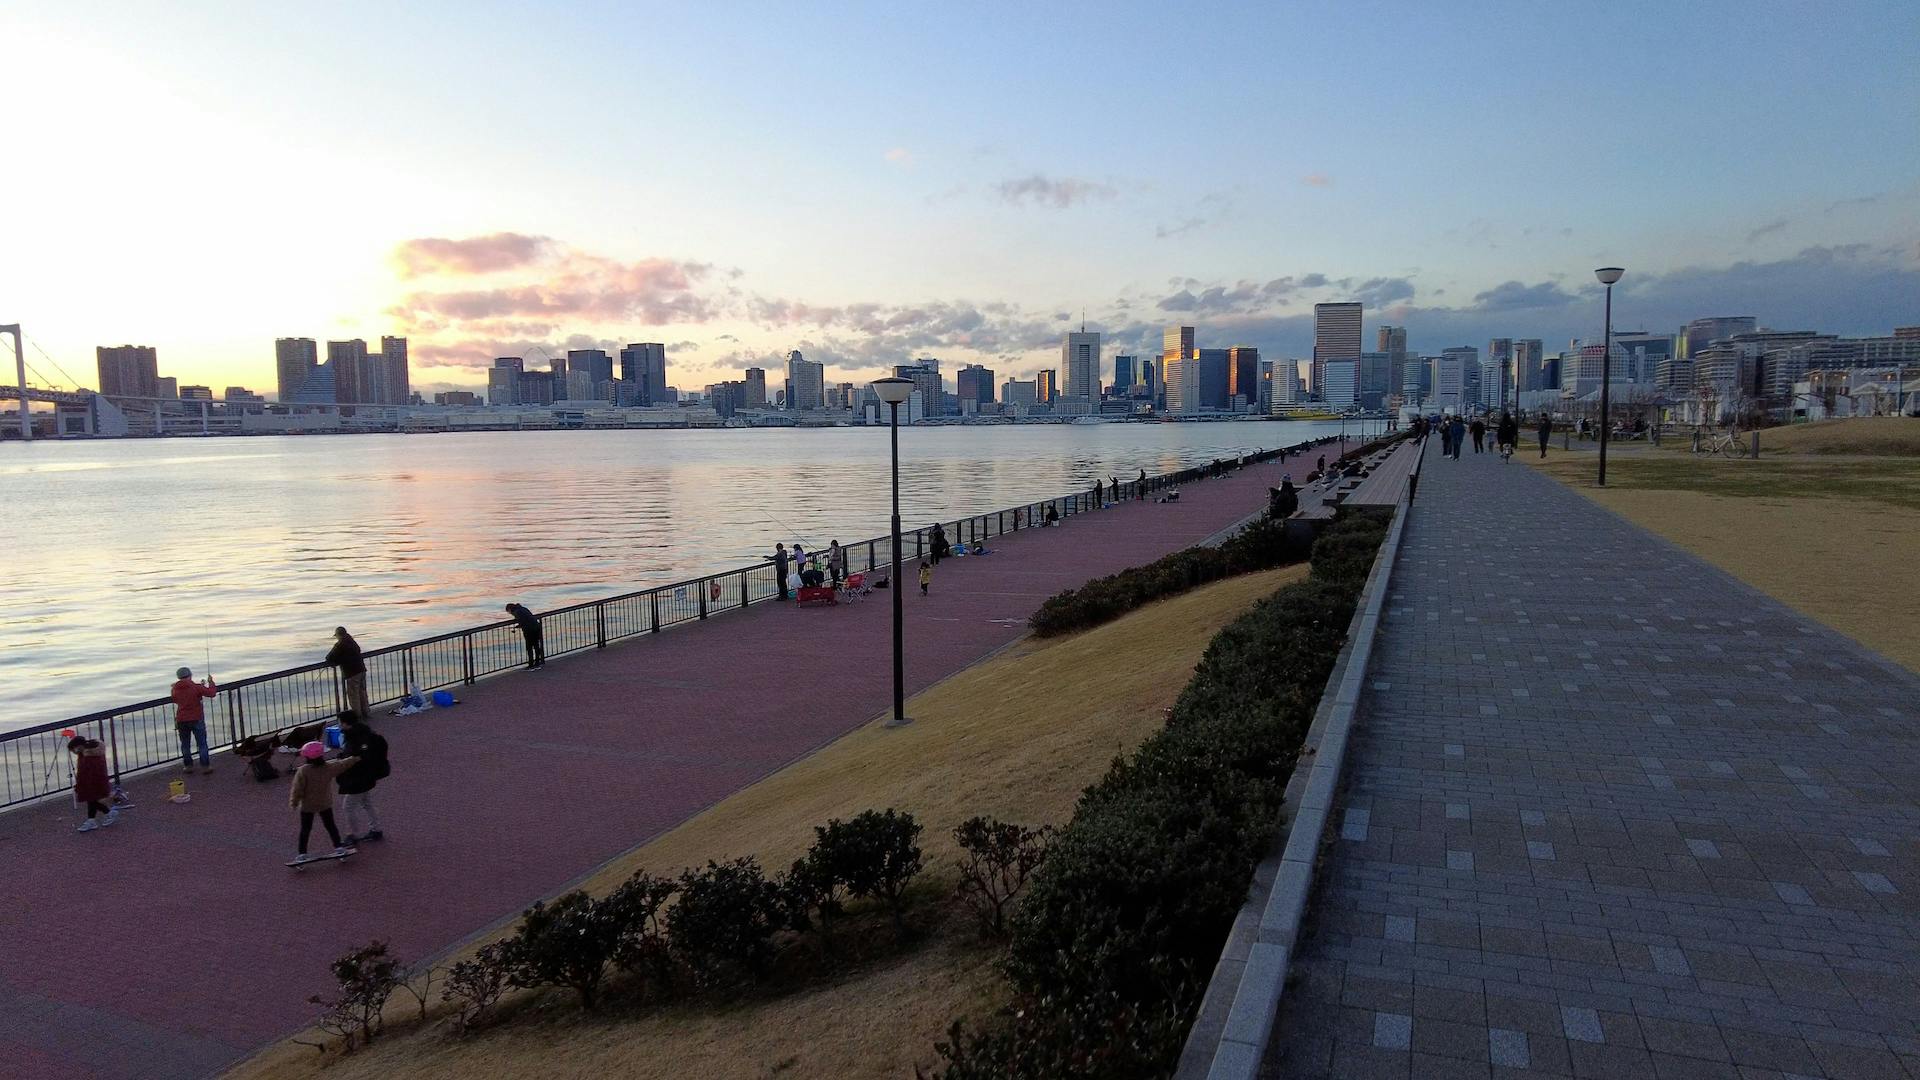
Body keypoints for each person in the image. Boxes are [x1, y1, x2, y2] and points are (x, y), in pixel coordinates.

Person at [289, 741, 357, 864]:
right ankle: (338, 847)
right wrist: (356, 758)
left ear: (307, 757)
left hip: (308, 805)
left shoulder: (303, 771)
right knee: (330, 826)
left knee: (305, 829)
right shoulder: (328, 767)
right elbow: (343, 764)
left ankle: (302, 854)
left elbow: (297, 788)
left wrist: (294, 802)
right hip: (325, 803)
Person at [335, 711, 389, 845]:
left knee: (348, 806)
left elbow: (358, 757)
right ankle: (376, 829)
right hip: (367, 776)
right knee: (366, 802)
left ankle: (352, 834)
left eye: (339, 722)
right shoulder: (364, 733)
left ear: (345, 723)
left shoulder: (355, 738)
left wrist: (343, 760)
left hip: (358, 778)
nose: (338, 724)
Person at [170, 666, 217, 774]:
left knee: (185, 744)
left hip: (182, 719)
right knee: (202, 743)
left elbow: (175, 699)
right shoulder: (196, 687)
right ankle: (205, 766)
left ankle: (188, 766)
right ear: (190, 676)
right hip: (196, 718)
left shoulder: (175, 689)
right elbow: (211, 693)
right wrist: (211, 683)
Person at [70, 735, 117, 832]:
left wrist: (80, 784)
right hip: (96, 780)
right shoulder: (91, 751)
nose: (74, 752)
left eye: (74, 749)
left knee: (92, 799)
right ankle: (93, 819)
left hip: (92, 782)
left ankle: (107, 814)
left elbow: (85, 772)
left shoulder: (88, 756)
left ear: (79, 746)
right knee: (92, 800)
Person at [326, 627, 369, 721]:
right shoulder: (352, 641)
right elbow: (353, 653)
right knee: (362, 692)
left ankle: (357, 716)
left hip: (352, 673)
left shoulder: (340, 644)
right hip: (362, 670)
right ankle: (366, 712)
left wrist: (335, 661)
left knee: (353, 695)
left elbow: (329, 657)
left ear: (339, 635)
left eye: (337, 636)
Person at [504, 603, 544, 669]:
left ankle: (531, 665)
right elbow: (526, 619)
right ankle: (537, 662)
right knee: (536, 645)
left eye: (508, 612)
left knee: (529, 647)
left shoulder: (517, 612)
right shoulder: (523, 608)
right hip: (536, 628)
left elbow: (523, 621)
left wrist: (518, 626)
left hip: (529, 630)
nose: (510, 613)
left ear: (510, 609)